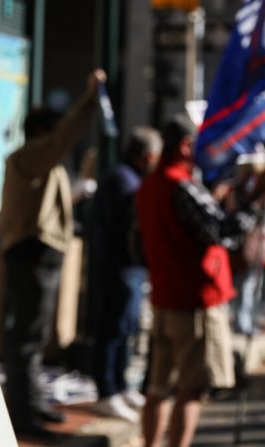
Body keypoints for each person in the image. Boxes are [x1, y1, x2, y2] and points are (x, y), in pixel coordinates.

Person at [136, 115, 265, 447]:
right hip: (196, 302)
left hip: (165, 296)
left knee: (158, 388)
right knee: (191, 389)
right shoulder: (181, 185)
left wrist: (214, 201)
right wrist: (256, 199)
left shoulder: (150, 185)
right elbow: (223, 233)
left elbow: (147, 240)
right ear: (185, 146)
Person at [0, 68, 105, 437]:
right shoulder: (27, 158)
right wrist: (88, 100)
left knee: (35, 338)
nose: (63, 142)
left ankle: (34, 403)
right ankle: (23, 416)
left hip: (41, 255)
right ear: (41, 133)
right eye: (54, 133)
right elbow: (62, 140)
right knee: (25, 340)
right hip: (31, 255)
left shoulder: (45, 164)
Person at [91, 127, 162, 422]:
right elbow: (126, 227)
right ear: (146, 156)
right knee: (114, 328)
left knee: (126, 328)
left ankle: (119, 385)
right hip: (118, 266)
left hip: (127, 267)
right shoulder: (124, 180)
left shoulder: (127, 177)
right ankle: (107, 391)